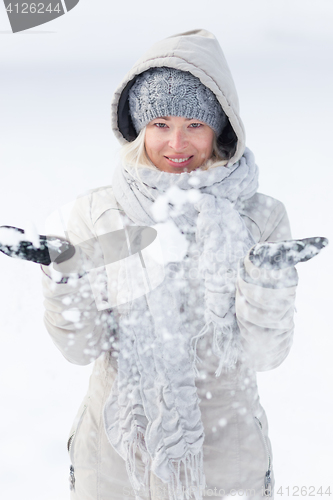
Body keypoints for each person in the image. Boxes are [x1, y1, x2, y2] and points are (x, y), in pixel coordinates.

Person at [2, 29, 326, 500]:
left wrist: (266, 281)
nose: (177, 143)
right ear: (139, 128)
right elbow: (81, 348)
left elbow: (265, 355)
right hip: (114, 464)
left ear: (220, 128)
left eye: (195, 124)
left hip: (226, 463)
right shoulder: (97, 214)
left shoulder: (258, 217)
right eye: (160, 124)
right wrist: (63, 273)